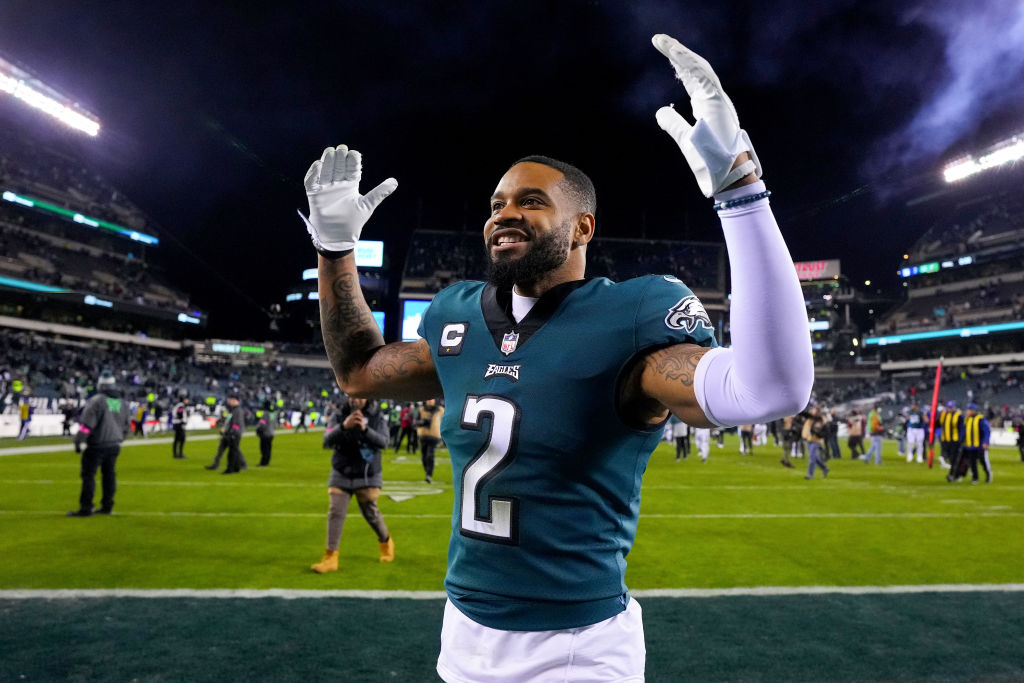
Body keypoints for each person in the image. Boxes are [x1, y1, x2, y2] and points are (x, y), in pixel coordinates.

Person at [301, 34, 812, 681]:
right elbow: (357, 370)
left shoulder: (632, 316)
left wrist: (740, 190)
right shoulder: (458, 314)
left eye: (530, 202)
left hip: (576, 647)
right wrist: (334, 247)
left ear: (583, 227)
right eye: (496, 205)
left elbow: (773, 387)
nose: (504, 215)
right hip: (462, 632)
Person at [310, 395, 395, 573]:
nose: (354, 399)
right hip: (341, 470)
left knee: (370, 514)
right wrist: (344, 426)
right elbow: (326, 440)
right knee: (335, 512)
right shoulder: (338, 414)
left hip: (367, 472)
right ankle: (330, 557)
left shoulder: (376, 416)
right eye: (351, 395)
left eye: (359, 396)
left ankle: (385, 541)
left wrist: (365, 430)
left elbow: (385, 442)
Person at [67, 374, 130, 516]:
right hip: (114, 445)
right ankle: (107, 506)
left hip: (97, 445)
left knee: (89, 476)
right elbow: (127, 426)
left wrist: (79, 441)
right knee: (109, 475)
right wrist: (119, 438)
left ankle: (86, 507)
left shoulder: (97, 401)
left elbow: (87, 425)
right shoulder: (122, 403)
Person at [960, 402, 992, 484]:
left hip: (979, 445)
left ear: (973, 411)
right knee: (972, 462)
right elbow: (964, 432)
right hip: (970, 445)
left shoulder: (980, 419)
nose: (967, 412)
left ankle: (988, 475)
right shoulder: (967, 419)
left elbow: (987, 431)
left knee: (983, 461)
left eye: (969, 410)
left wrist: (986, 442)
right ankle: (975, 478)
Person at [417, 398, 444, 483]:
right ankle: (427, 471)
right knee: (424, 456)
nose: (430, 401)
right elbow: (415, 420)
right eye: (428, 400)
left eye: (431, 400)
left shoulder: (440, 410)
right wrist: (421, 422)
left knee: (430, 455)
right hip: (423, 435)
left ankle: (429, 474)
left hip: (434, 435)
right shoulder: (421, 409)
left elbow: (444, 421)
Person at [219, 395, 247, 474]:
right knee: (234, 450)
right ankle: (236, 467)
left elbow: (237, 423)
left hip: (234, 433)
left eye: (230, 400)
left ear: (235, 400)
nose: (229, 401)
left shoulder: (237, 410)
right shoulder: (234, 410)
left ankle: (230, 469)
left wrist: (232, 432)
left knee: (232, 452)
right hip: (234, 432)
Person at [802, 405, 829, 480]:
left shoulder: (822, 420)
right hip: (809, 439)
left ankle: (810, 474)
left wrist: (817, 433)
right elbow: (805, 414)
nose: (813, 412)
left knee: (811, 458)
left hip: (817, 440)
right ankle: (824, 468)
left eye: (815, 410)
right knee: (814, 457)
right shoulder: (812, 418)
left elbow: (825, 431)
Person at [940, 400, 965, 479]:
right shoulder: (944, 415)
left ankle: (953, 474)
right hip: (945, 440)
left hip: (955, 440)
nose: (949, 409)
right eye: (948, 408)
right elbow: (938, 424)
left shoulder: (959, 416)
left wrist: (960, 439)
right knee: (949, 458)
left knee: (954, 458)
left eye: (951, 408)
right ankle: (956, 474)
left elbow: (962, 428)